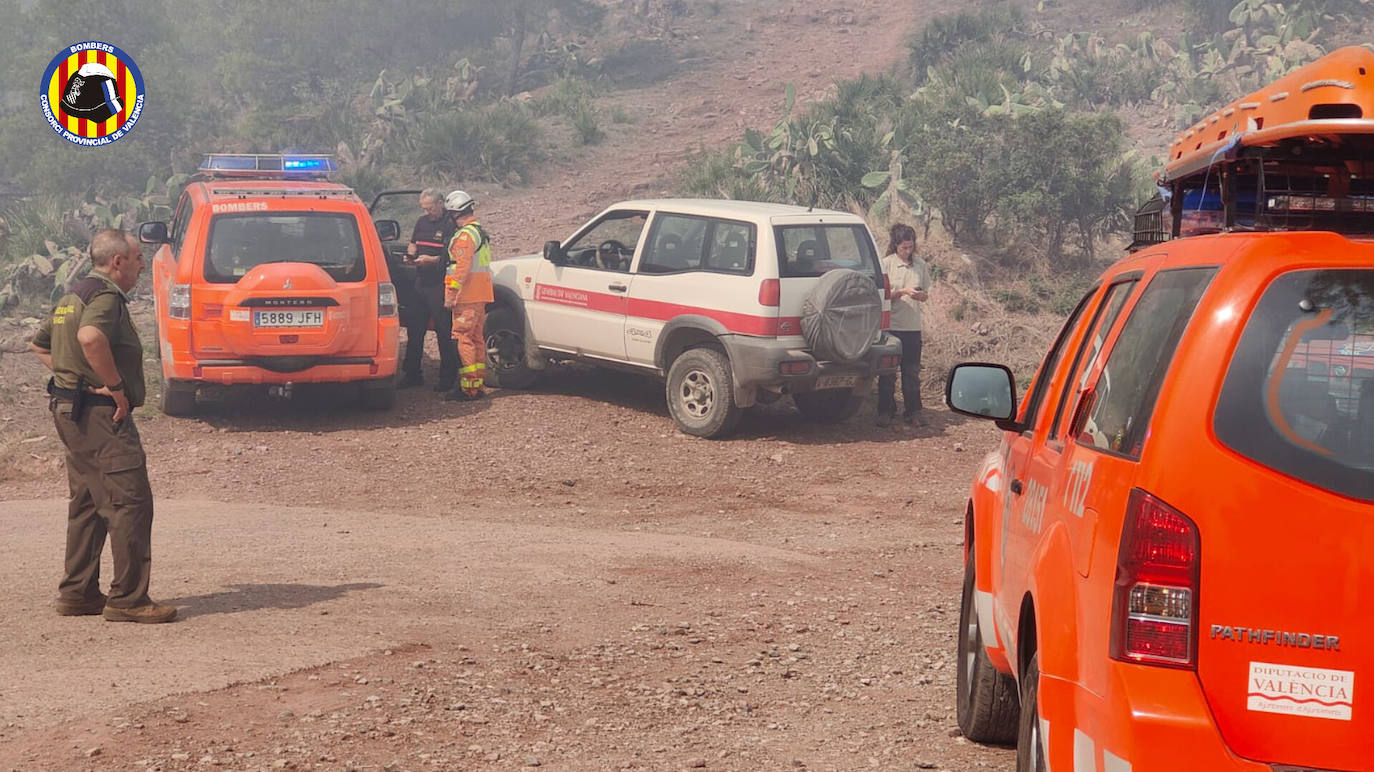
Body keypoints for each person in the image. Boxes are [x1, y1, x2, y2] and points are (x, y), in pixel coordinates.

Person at [29, 229, 176, 623]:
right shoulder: (106, 298)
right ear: (117, 262)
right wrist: (114, 388)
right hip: (99, 415)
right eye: (137, 258)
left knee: (89, 503)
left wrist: (71, 377)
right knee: (129, 502)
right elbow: (91, 337)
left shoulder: (72, 294)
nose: (142, 265)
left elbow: (40, 345)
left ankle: (78, 593)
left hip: (69, 410)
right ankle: (129, 599)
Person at [399, 188, 459, 390]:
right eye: (424, 208)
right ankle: (412, 373)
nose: (427, 212)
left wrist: (431, 260)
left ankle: (447, 378)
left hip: (439, 283)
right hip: (420, 282)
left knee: (444, 332)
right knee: (415, 329)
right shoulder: (421, 222)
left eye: (430, 208)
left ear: (440, 203)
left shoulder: (450, 225)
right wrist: (411, 254)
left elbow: (452, 256)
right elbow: (413, 243)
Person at [876, 223, 932, 428]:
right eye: (904, 248)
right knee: (888, 373)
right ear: (896, 245)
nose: (908, 251)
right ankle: (885, 411)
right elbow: (881, 295)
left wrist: (920, 295)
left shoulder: (921, 265)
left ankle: (913, 411)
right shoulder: (886, 264)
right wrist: (902, 292)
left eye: (911, 247)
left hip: (912, 328)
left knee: (911, 373)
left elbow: (925, 295)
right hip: (891, 327)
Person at [441, 190, 494, 401]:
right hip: (481, 293)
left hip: (466, 295)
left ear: (455, 213)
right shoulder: (478, 231)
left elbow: (461, 269)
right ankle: (477, 384)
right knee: (476, 339)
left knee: (463, 339)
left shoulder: (464, 236)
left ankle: (468, 389)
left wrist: (451, 294)